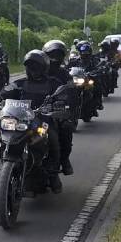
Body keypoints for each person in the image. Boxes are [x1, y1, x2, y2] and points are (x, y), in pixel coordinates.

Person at [0, 50, 63, 193]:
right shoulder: (20, 83)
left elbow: (63, 93)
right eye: (29, 66)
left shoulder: (53, 84)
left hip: (43, 121)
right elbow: (8, 90)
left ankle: (53, 174)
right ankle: (7, 165)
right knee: (1, 132)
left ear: (44, 68)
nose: (32, 70)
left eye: (35, 66)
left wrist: (60, 102)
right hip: (22, 120)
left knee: (52, 137)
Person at [43, 40, 75, 176]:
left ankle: (63, 160)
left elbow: (71, 94)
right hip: (35, 110)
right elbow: (23, 87)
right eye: (52, 55)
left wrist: (67, 109)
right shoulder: (37, 70)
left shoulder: (64, 74)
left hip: (55, 111)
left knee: (66, 128)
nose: (55, 58)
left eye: (58, 55)